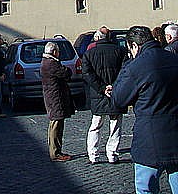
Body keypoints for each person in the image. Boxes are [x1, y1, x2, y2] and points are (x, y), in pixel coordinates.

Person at [111, 25, 178, 194]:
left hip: (149, 139)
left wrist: (126, 67)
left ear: (134, 45)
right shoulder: (174, 59)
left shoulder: (135, 66)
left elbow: (119, 100)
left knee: (146, 189)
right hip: (175, 133)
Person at [82, 27, 125, 164]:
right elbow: (125, 71)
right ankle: (112, 154)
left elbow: (87, 74)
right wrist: (113, 86)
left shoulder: (89, 53)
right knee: (115, 125)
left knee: (95, 125)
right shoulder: (120, 51)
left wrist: (102, 88)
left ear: (97, 38)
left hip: (98, 94)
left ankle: (93, 155)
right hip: (115, 92)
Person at [41, 41, 75, 162]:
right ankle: (55, 153)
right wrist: (67, 70)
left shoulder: (46, 62)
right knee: (56, 124)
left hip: (53, 96)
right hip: (55, 97)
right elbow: (65, 73)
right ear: (54, 52)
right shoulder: (52, 63)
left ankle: (56, 151)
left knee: (56, 123)